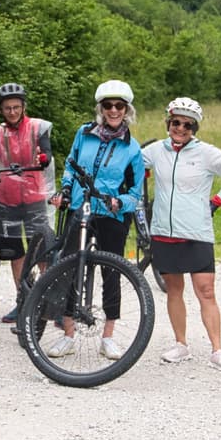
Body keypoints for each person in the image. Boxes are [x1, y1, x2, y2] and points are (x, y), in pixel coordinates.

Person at [140, 96, 221, 371]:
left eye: (188, 125)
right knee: (174, 290)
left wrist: (216, 201)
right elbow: (131, 166)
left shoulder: (207, 153)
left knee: (206, 291)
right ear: (168, 123)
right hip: (164, 231)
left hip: (197, 231)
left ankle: (217, 351)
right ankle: (181, 344)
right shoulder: (155, 151)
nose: (180, 129)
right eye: (176, 123)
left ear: (194, 129)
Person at [47, 80, 146, 361]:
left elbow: (134, 192)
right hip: (81, 208)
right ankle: (67, 335)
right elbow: (70, 164)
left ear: (127, 110)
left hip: (111, 215)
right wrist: (65, 190)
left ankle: (108, 338)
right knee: (69, 269)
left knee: (111, 272)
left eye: (119, 106)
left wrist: (119, 202)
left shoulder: (132, 149)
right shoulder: (84, 133)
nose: (113, 110)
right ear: (100, 108)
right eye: (108, 105)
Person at [0, 82, 55, 322]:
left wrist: (43, 157)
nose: (12, 112)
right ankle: (23, 300)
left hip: (34, 198)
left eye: (16, 107)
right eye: (7, 108)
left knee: (43, 252)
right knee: (16, 253)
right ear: (1, 109)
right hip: (7, 199)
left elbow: (46, 154)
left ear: (23, 106)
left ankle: (47, 301)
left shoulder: (38, 127)